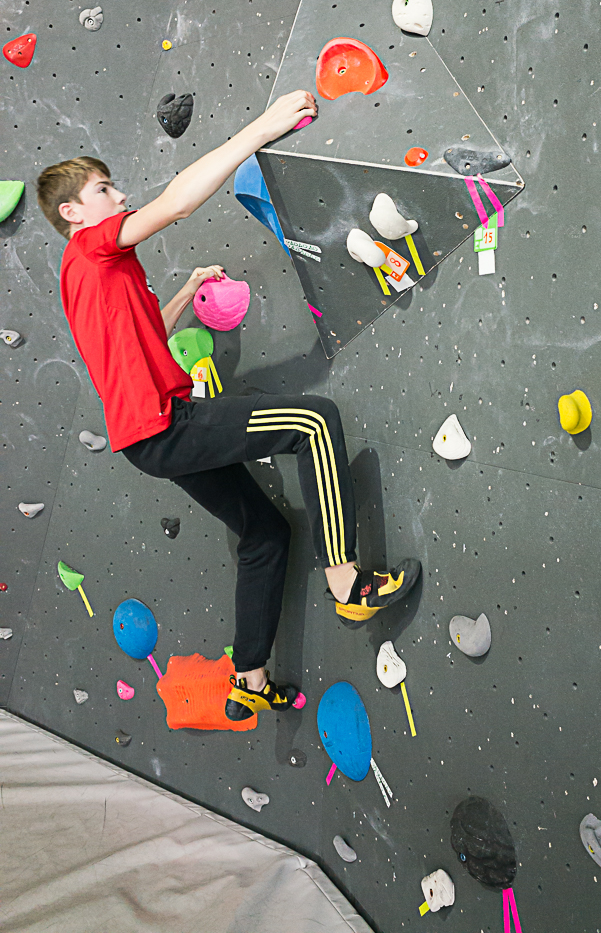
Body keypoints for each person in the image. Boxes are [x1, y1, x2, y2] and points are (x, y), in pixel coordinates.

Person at [37, 90, 421, 720]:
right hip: (167, 424)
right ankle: (348, 583)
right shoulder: (91, 247)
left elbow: (146, 336)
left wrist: (187, 288)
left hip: (145, 441)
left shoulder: (89, 276)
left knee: (264, 534)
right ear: (73, 211)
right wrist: (262, 128)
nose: (120, 195)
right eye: (105, 189)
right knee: (314, 422)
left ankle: (250, 678)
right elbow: (177, 203)